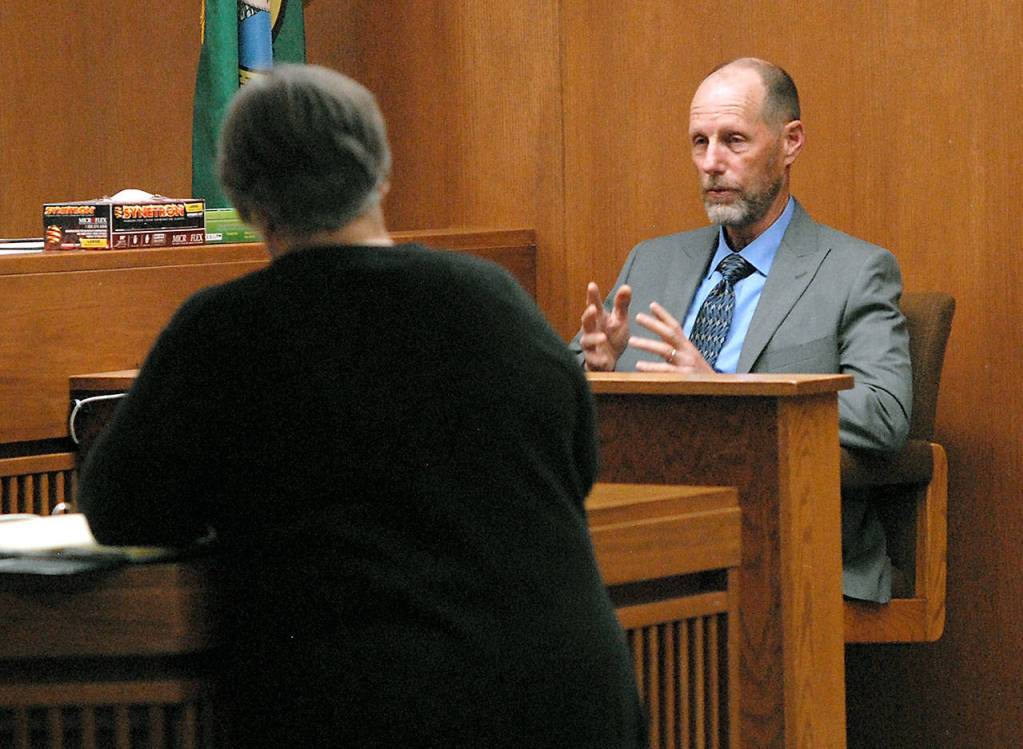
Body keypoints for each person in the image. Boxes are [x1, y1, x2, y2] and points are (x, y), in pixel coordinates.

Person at [78, 64, 645, 748]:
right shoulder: (493, 297)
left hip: (370, 704)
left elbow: (119, 507)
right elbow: (577, 465)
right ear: (379, 173)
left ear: (246, 200)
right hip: (569, 697)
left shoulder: (226, 329)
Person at [571, 58, 912, 603]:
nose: (711, 163)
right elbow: (557, 395)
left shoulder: (855, 272)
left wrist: (722, 387)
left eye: (733, 140)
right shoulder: (652, 262)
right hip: (647, 531)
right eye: (699, 142)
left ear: (790, 142)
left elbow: (885, 413)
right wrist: (597, 369)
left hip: (781, 542)